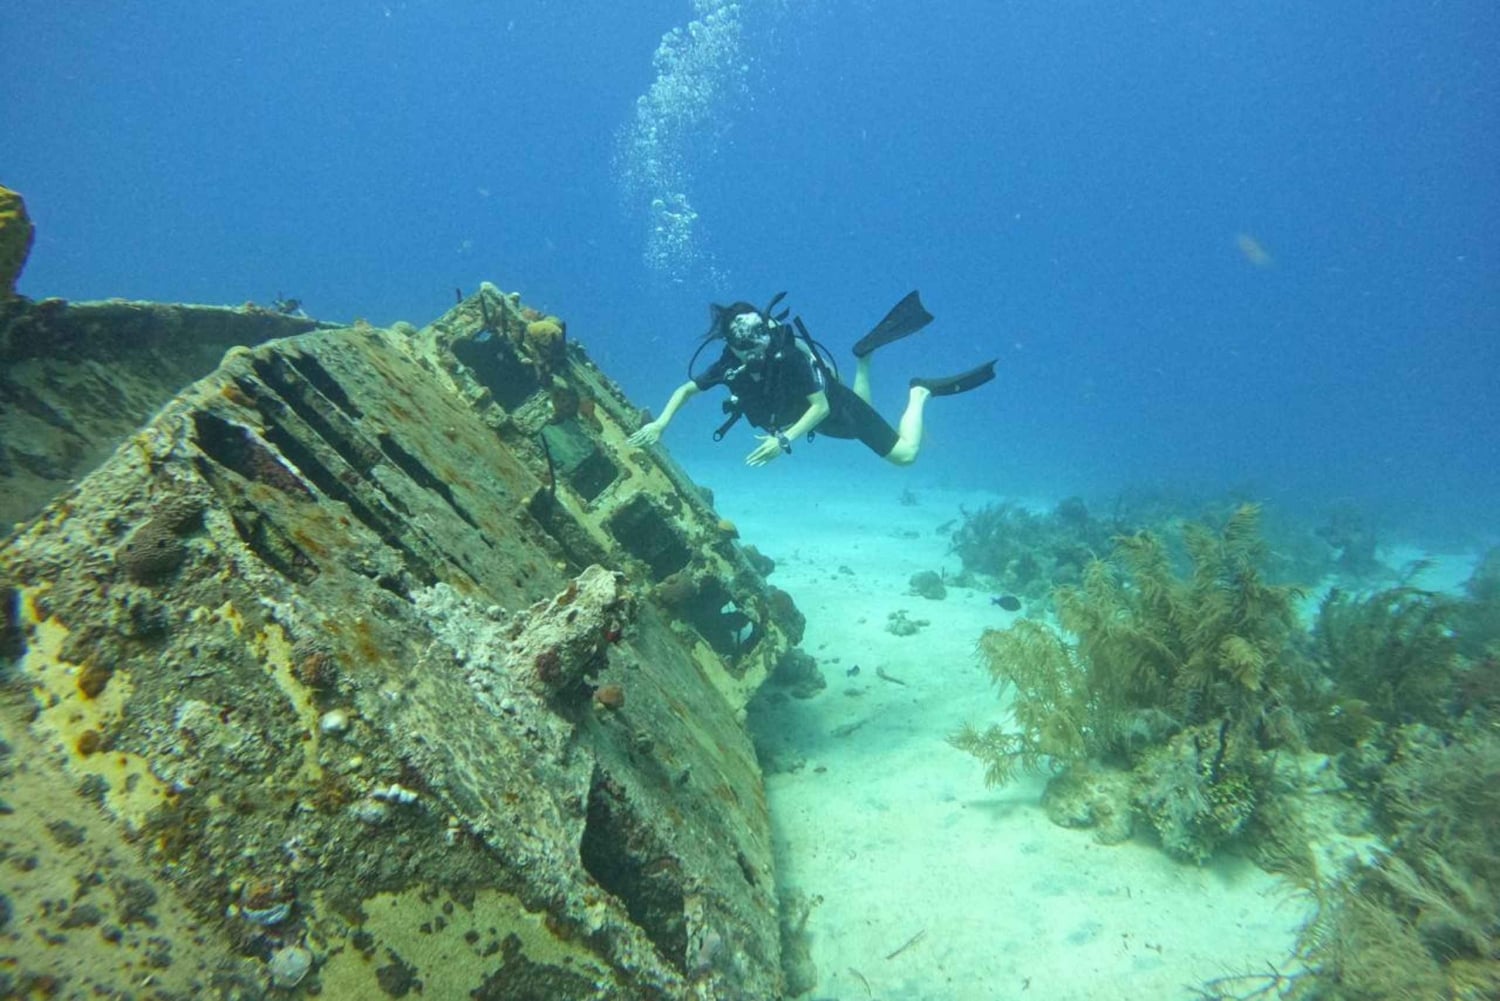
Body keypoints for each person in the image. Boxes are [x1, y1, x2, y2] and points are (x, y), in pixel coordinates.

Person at [626, 290, 995, 467]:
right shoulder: (728, 363)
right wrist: (661, 423)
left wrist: (783, 440)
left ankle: (919, 392)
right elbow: (687, 389)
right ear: (730, 344)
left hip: (826, 409)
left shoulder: (786, 356)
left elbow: (820, 407)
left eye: (758, 341)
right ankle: (863, 358)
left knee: (905, 455)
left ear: (765, 333)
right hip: (814, 412)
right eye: (743, 345)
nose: (754, 352)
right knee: (858, 407)